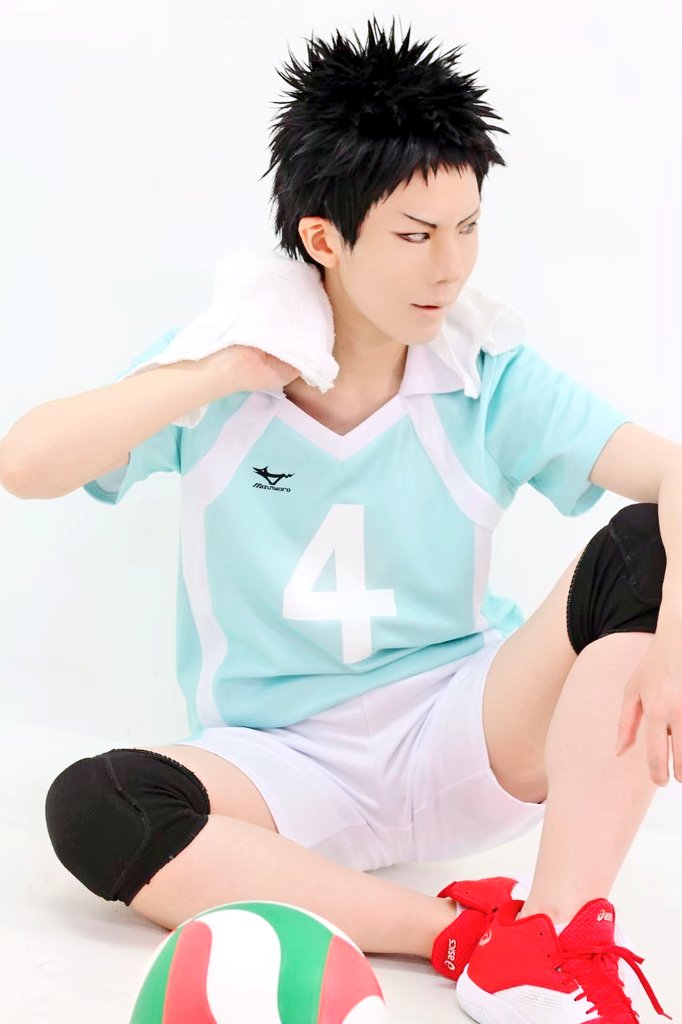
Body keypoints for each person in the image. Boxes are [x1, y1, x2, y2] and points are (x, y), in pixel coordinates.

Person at [3, 16, 675, 1023]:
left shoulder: (487, 375)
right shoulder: (216, 378)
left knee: (646, 547)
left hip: (462, 729)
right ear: (324, 238)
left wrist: (672, 644)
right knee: (97, 804)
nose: (450, 267)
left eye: (467, 227)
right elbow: (25, 464)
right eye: (414, 235)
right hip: (279, 763)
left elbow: (674, 479)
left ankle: (549, 935)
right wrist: (223, 367)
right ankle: (454, 930)